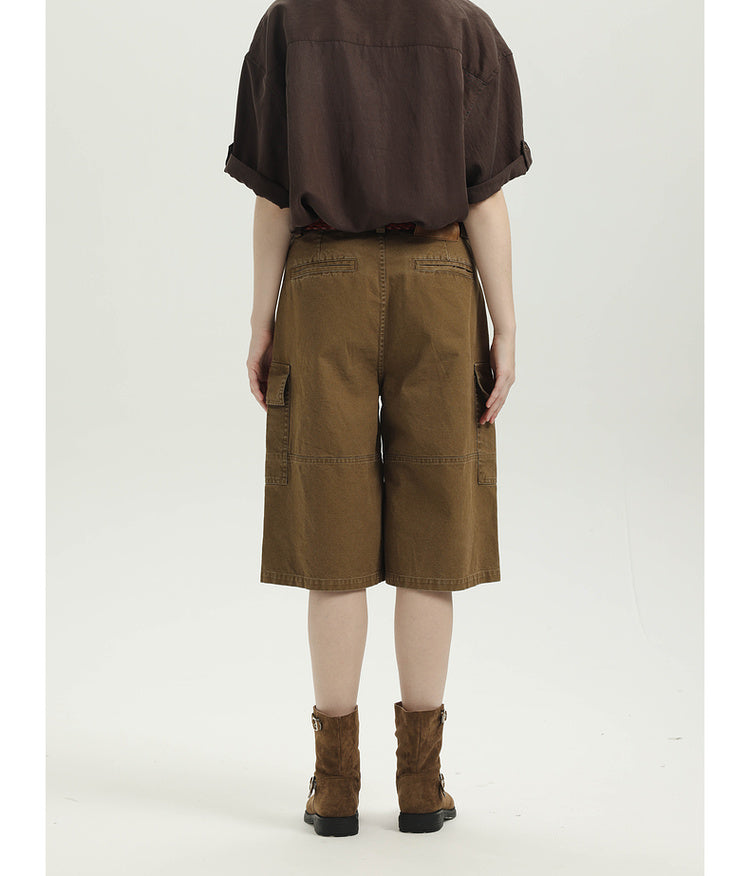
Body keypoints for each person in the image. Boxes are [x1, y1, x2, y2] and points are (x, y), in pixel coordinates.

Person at [223, 0, 532, 837]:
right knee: (434, 537)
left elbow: (273, 198)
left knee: (332, 539)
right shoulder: (466, 27)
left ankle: (334, 788)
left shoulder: (288, 23)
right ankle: (422, 787)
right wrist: (506, 326)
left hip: (324, 289)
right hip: (441, 287)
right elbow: (485, 198)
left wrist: (261, 319)